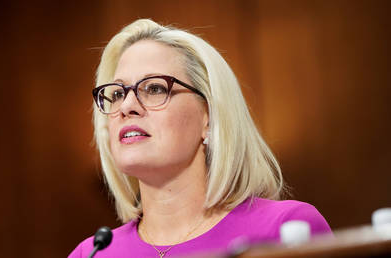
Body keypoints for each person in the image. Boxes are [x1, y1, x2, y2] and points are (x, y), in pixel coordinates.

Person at [69, 19, 331, 258]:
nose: (127, 106)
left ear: (208, 117)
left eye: (155, 88)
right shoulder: (92, 254)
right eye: (116, 94)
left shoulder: (285, 230)